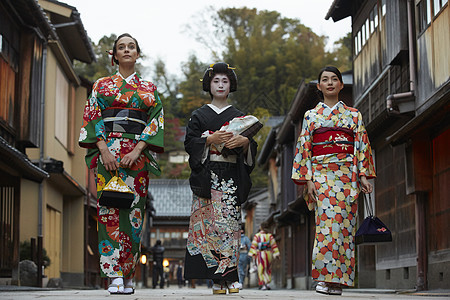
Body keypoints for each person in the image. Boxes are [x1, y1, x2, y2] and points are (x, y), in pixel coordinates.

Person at [78, 33, 164, 295]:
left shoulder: (149, 88)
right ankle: (113, 274)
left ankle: (128, 274)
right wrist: (103, 149)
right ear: (114, 55)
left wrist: (138, 149)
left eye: (131, 47)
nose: (127, 50)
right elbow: (92, 116)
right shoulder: (101, 86)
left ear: (138, 54)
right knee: (109, 212)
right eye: (121, 47)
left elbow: (155, 120)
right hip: (109, 156)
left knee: (135, 215)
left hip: (136, 158)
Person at [291, 66, 376, 296]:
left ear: (340, 85)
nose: (330, 83)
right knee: (327, 227)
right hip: (321, 175)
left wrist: (363, 175)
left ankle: (338, 281)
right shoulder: (311, 116)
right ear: (319, 87)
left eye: (334, 79)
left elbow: (361, 146)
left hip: (347, 175)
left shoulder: (354, 115)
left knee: (345, 228)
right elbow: (304, 148)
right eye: (325, 80)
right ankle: (323, 278)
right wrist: (307, 179)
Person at [183, 62, 259, 295]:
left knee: (229, 226)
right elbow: (190, 144)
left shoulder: (239, 116)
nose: (220, 85)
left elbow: (250, 146)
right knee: (208, 228)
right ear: (208, 84)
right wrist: (209, 139)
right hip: (207, 174)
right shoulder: (199, 115)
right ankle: (216, 279)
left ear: (231, 85)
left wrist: (246, 143)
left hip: (229, 176)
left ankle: (230, 276)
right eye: (216, 80)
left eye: (225, 81)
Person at [248, 225, 280, 290]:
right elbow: (274, 245)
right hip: (269, 253)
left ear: (261, 228)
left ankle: (263, 284)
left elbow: (254, 245)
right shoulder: (270, 236)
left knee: (261, 269)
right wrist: (276, 254)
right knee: (268, 268)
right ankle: (267, 283)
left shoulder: (257, 236)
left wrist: (252, 254)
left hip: (260, 253)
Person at [237, 224, 251, 289]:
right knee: (242, 270)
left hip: (241, 255)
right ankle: (240, 282)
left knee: (241, 270)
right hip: (244, 255)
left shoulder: (238, 238)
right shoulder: (246, 239)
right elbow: (250, 248)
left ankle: (240, 282)